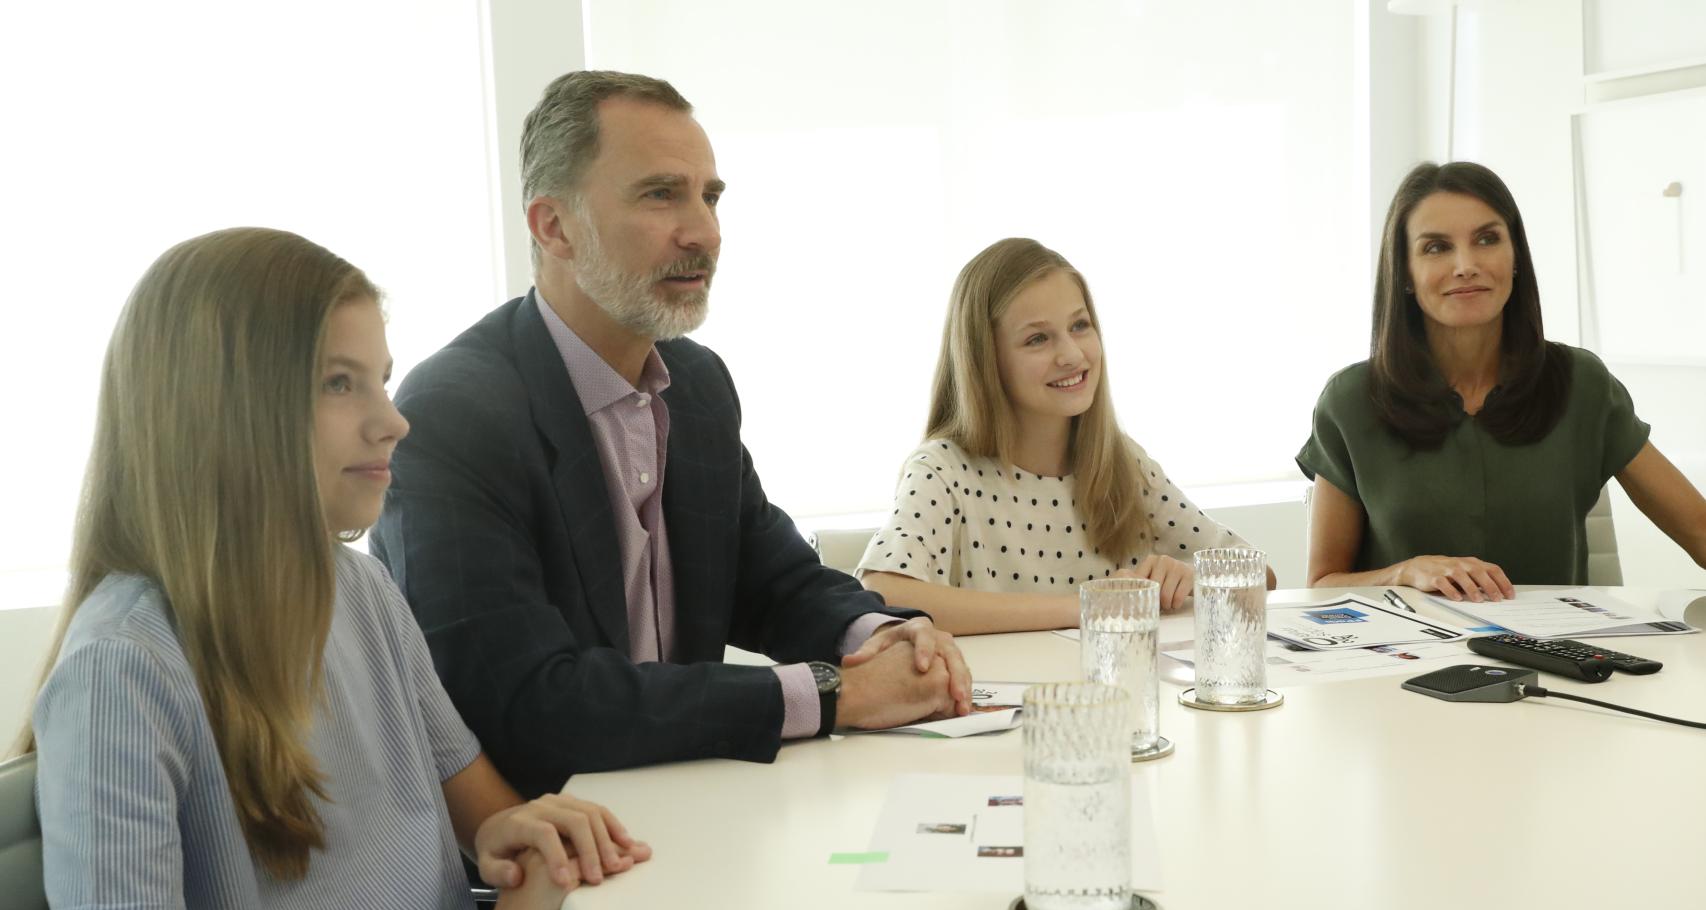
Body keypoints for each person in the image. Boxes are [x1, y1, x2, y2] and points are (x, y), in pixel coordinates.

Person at [24, 228, 649, 910]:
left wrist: (516, 834)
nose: (393, 421)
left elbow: (479, 815)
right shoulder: (120, 673)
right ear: (221, 406)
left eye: (381, 380)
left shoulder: (362, 589)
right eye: (339, 383)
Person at [370, 70, 971, 797]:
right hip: (556, 840)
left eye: (709, 197)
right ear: (552, 226)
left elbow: (771, 578)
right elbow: (528, 705)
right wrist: (829, 694)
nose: (704, 232)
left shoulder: (697, 385)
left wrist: (880, 636)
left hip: (694, 807)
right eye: (661, 195)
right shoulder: (456, 413)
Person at [1297, 161, 1706, 598]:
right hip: (1403, 660)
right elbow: (1323, 585)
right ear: (1406, 275)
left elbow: (1698, 529)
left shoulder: (1582, 384)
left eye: (1487, 239)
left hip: (1556, 658)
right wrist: (1405, 572)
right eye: (1436, 247)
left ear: (1515, 260)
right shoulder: (1351, 400)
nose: (1466, 265)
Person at [857, 238, 1273, 637]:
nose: (1072, 354)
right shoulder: (943, 470)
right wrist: (1087, 606)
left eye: (1080, 326)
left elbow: (1262, 576)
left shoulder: (1123, 463)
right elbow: (882, 594)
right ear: (986, 360)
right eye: (1037, 338)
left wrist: (1191, 578)